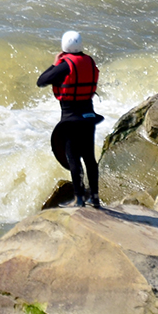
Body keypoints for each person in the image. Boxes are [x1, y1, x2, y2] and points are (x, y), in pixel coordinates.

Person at [37, 30, 103, 209]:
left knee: (73, 158)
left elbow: (41, 81)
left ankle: (79, 199)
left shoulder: (65, 65)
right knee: (89, 157)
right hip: (88, 116)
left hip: (71, 119)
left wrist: (54, 64)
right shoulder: (89, 61)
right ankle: (95, 198)